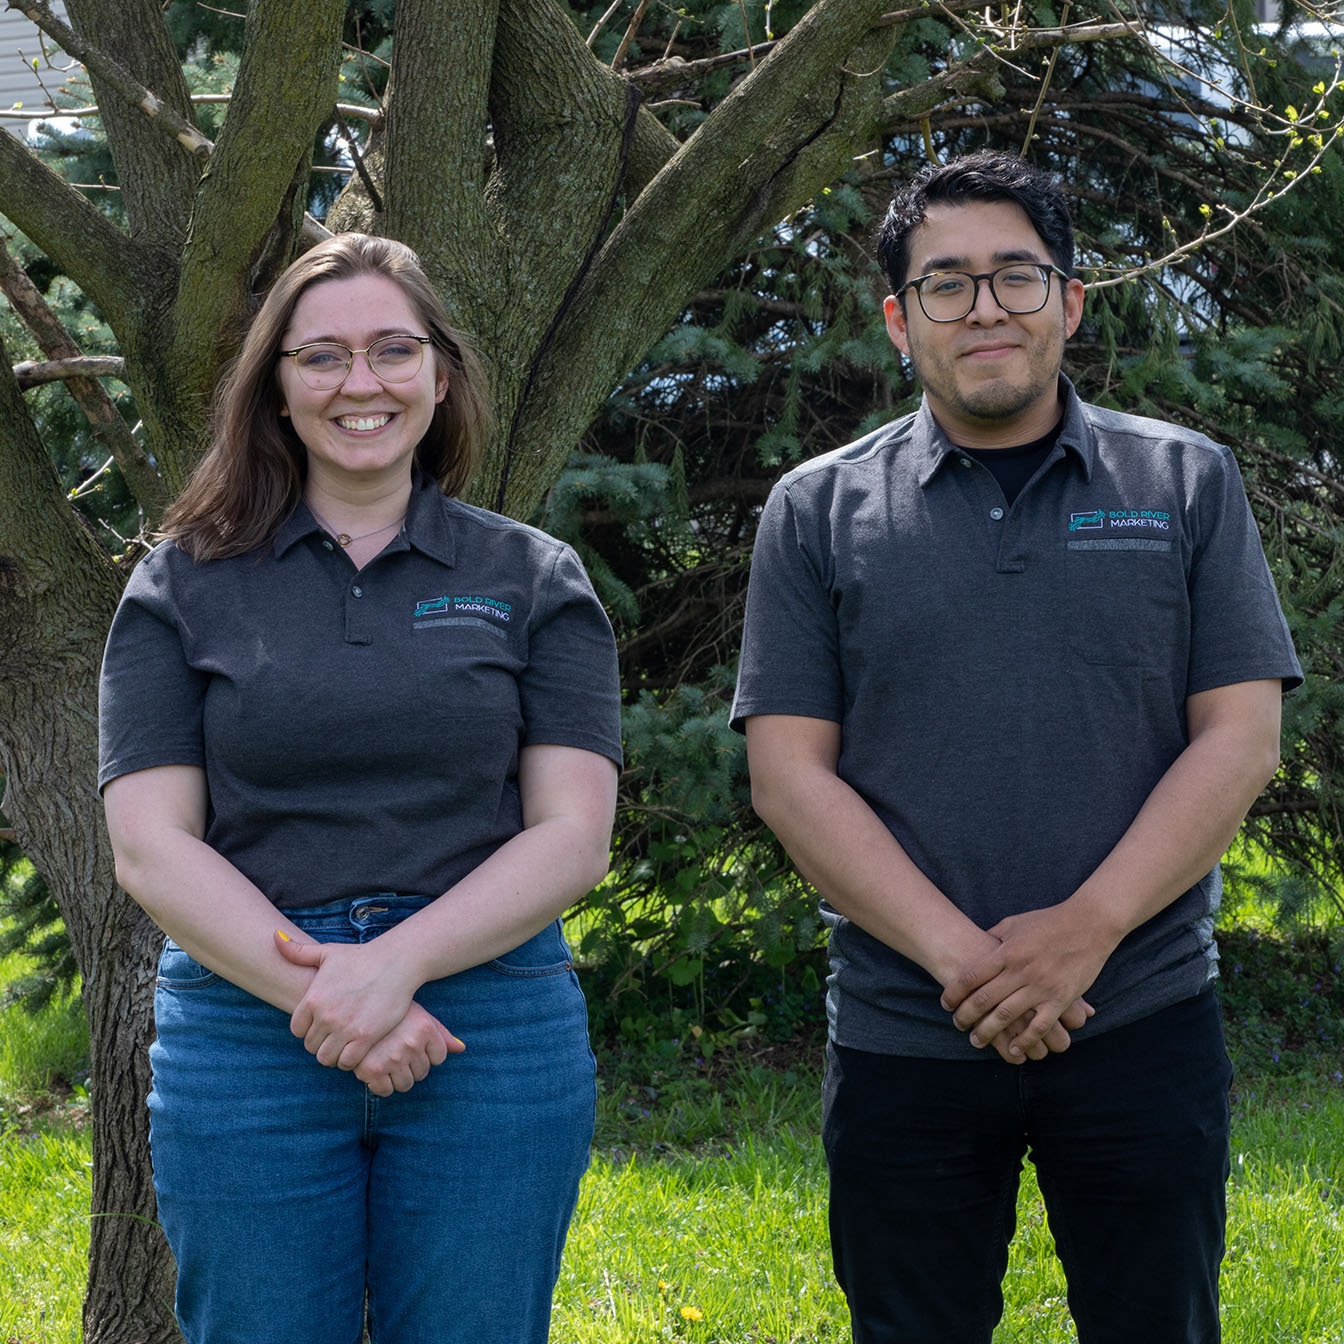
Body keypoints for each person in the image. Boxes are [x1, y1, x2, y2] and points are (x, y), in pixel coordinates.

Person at [731, 149, 1302, 1344]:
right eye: (946, 283)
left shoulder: (1185, 483)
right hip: (903, 1028)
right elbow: (790, 775)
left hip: (1140, 1016)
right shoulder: (818, 510)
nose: (984, 307)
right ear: (900, 319)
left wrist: (1083, 934)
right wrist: (968, 965)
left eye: (1016, 276)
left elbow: (1240, 740)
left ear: (1070, 301)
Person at [98, 233, 623, 1344]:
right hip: (249, 1025)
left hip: (488, 1019)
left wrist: (397, 967)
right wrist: (329, 994)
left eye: (393, 349)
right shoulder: (180, 583)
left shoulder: (531, 579)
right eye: (322, 356)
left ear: (441, 373)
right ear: (277, 388)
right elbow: (150, 847)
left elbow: (573, 836)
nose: (361, 383)